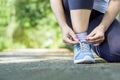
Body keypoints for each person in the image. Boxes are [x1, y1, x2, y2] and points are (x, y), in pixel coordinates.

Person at [50, 0, 120, 64]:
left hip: (100, 16)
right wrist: (64, 26)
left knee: (117, 51)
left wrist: (102, 27)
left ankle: (90, 41)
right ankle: (81, 42)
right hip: (73, 10)